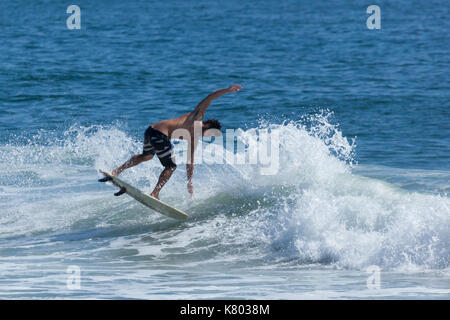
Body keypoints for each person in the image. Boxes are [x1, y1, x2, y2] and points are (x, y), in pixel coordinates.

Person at [111, 84, 243, 199]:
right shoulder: (197, 117)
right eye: (211, 134)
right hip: (159, 134)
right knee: (171, 166)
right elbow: (209, 98)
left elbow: (189, 162)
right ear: (208, 126)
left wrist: (189, 182)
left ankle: (117, 171)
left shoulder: (193, 138)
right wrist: (227, 90)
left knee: (146, 156)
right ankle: (155, 193)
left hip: (150, 131)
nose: (208, 137)